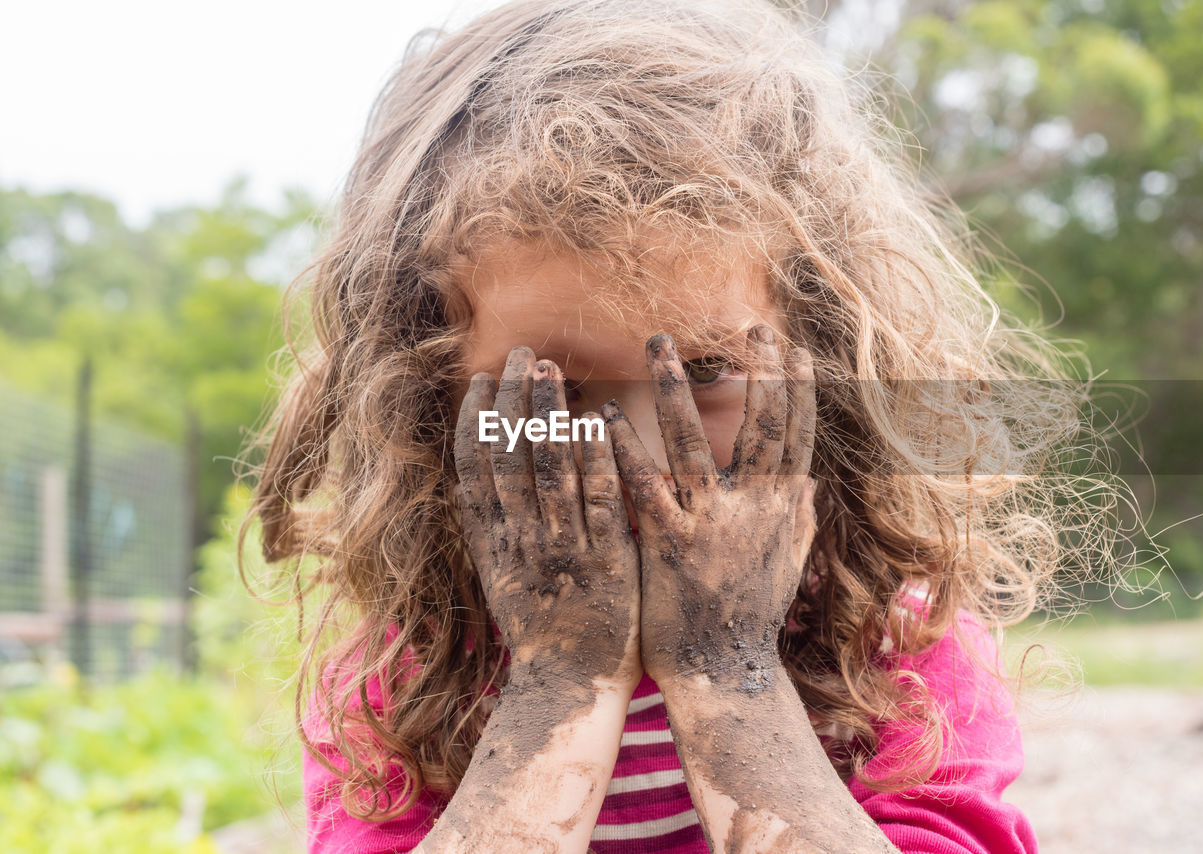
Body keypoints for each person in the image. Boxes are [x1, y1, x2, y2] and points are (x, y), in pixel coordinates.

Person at [241, 0, 1101, 850]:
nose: (639, 455)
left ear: (825, 359)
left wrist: (728, 668)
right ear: (427, 399)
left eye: (704, 373)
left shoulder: (893, 637)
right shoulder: (413, 671)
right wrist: (561, 678)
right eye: (556, 392)